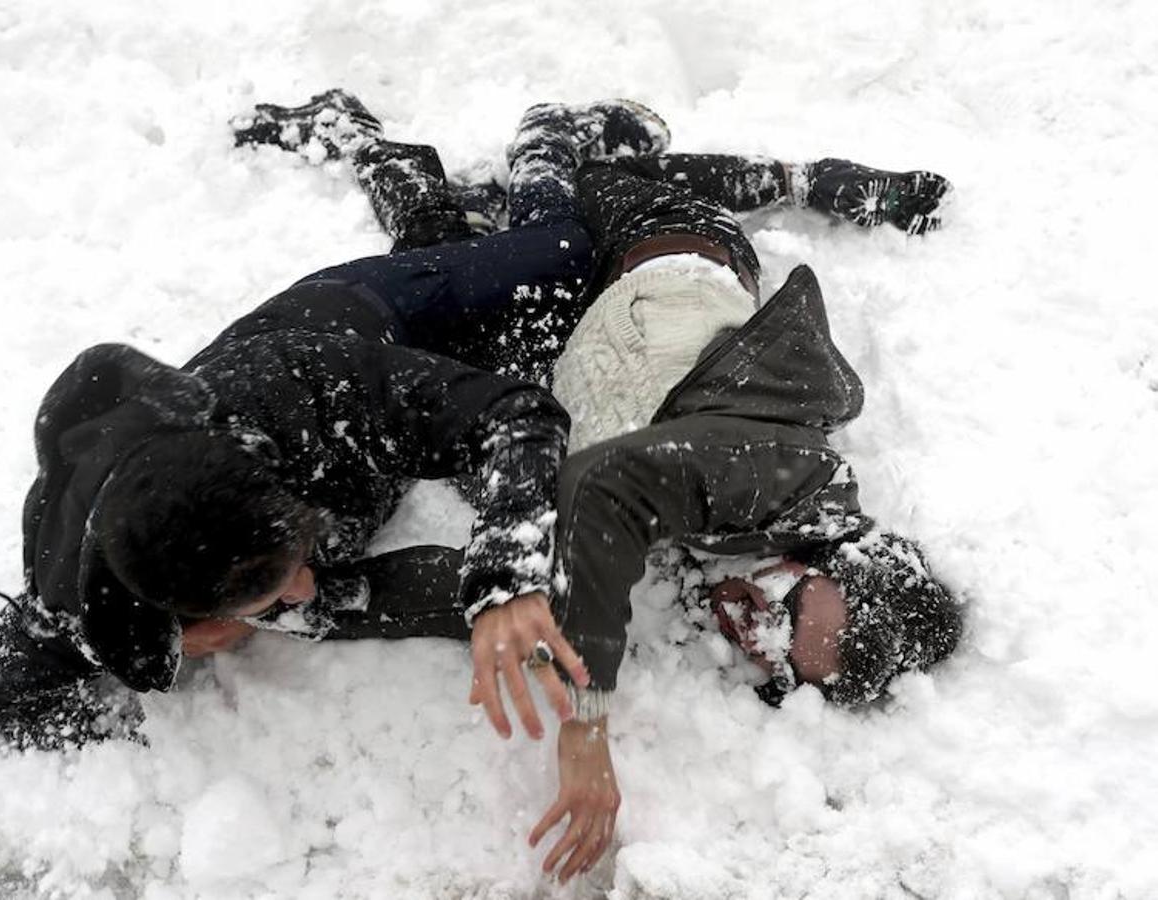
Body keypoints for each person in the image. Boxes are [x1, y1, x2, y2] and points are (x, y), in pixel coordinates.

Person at [226, 91, 962, 883]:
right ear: (835, 553)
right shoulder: (780, 474)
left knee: (442, 258)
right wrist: (585, 725)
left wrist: (301, 600)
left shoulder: (760, 539)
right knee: (548, 193)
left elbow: (542, 570)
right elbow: (603, 485)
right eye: (787, 615)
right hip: (638, 241)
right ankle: (551, 129)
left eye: (779, 665)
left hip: (576, 347)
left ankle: (414, 174)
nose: (758, 635)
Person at [0, 93, 675, 753]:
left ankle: (463, 149)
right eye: (272, 595)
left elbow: (515, 416)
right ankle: (418, 198)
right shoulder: (84, 588)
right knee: (455, 249)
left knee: (564, 258)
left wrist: (503, 580)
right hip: (323, 425)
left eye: (292, 569)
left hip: (365, 317)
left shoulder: (315, 392)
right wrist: (150, 676)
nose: (302, 590)